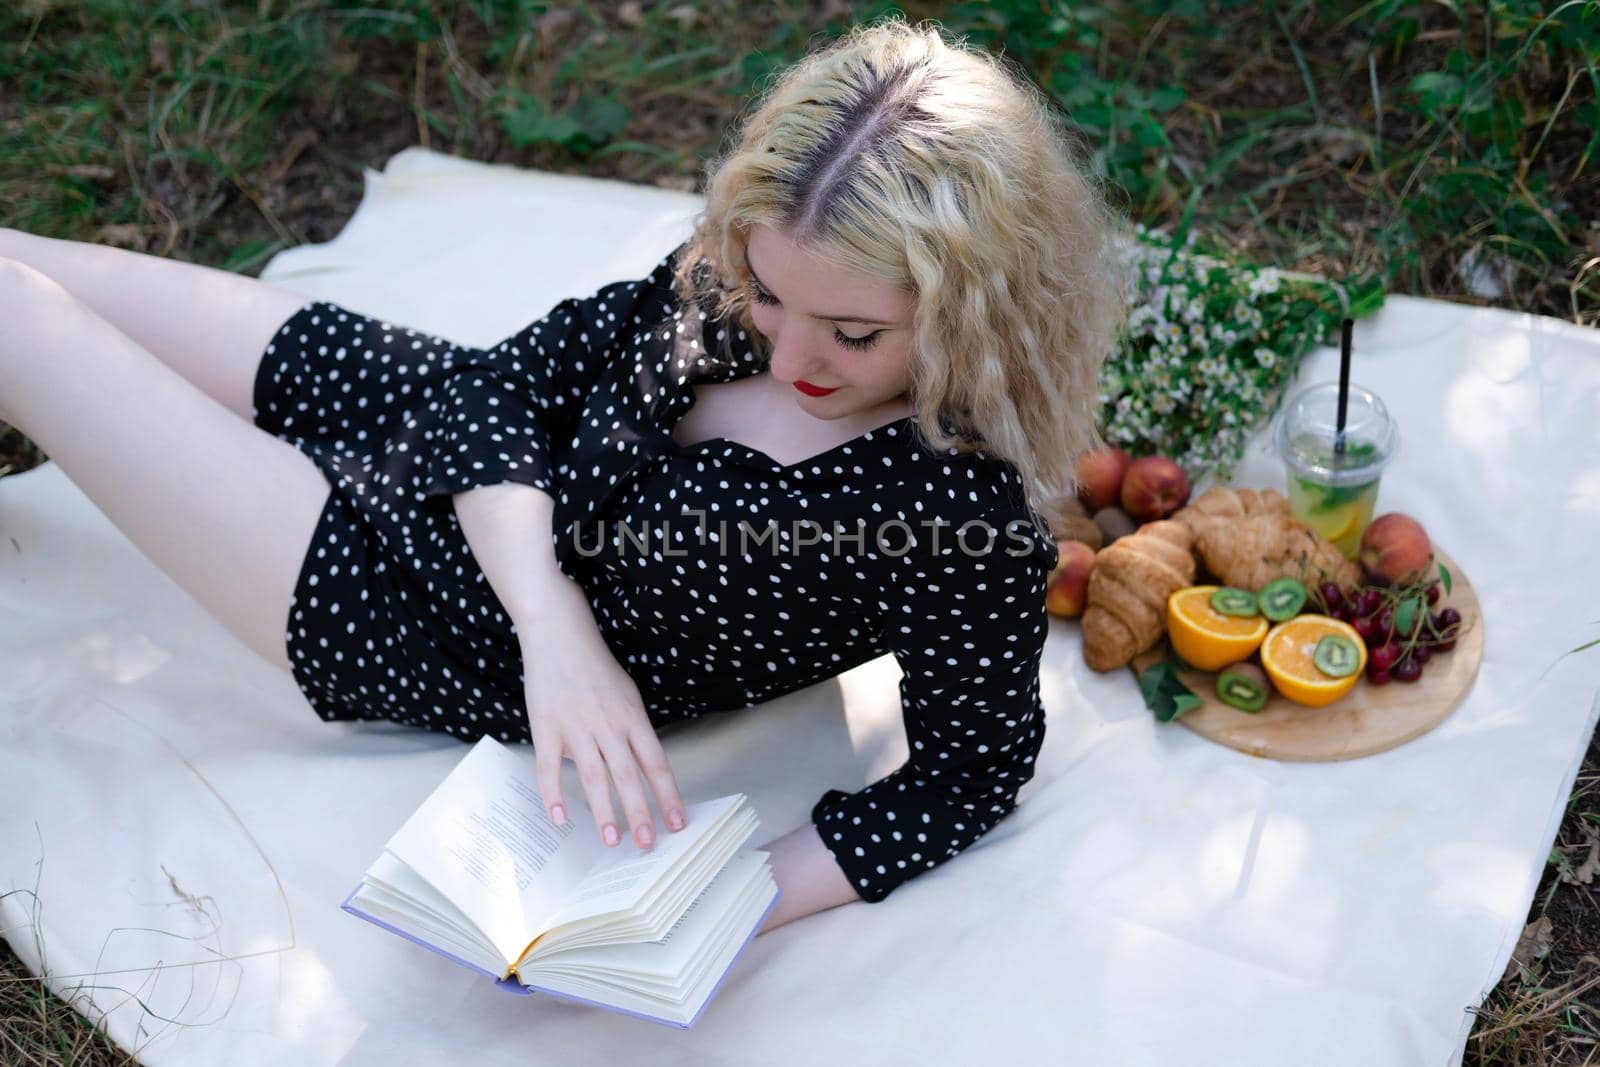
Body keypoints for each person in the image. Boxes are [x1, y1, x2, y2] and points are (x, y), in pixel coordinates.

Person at [0, 16, 1128, 936]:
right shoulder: (746, 270)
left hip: (405, 602)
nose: (790, 357)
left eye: (851, 332)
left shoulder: (950, 522)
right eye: (772, 296)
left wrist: (724, 905)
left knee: (16, 323)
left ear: (975, 313)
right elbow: (500, 386)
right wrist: (561, 634)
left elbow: (965, 776)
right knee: (24, 261)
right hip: (465, 445)